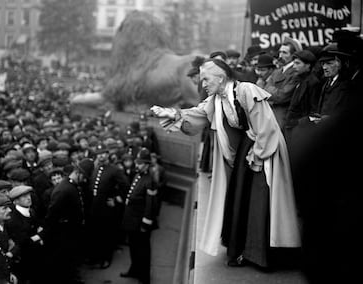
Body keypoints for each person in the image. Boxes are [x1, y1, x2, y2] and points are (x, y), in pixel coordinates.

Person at [150, 58, 300, 269]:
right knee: (242, 199)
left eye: (205, 79)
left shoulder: (247, 90)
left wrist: (257, 156)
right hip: (247, 152)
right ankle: (243, 251)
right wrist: (173, 113)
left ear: (221, 77)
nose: (202, 85)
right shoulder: (217, 99)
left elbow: (267, 128)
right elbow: (199, 114)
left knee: (260, 200)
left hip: (266, 151)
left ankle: (260, 255)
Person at [43, 158, 93, 284]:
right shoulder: (63, 189)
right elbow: (52, 215)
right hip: (63, 233)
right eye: (85, 176)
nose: (85, 179)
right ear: (78, 173)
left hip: (72, 231)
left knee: (71, 259)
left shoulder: (73, 185)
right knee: (65, 261)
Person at [120, 147, 158, 284]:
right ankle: (134, 270)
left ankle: (144, 277)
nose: (137, 165)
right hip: (132, 221)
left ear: (147, 164)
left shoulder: (150, 181)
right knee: (134, 248)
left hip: (140, 223)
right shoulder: (138, 176)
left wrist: (145, 224)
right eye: (137, 162)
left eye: (141, 163)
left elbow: (150, 206)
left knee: (143, 251)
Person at [262, 37, 302, 128]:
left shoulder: (295, 72)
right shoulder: (277, 71)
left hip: (284, 116)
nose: (280, 56)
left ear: (293, 55)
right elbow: (264, 90)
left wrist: (269, 89)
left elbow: (282, 95)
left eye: (284, 53)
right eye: (280, 52)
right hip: (272, 113)